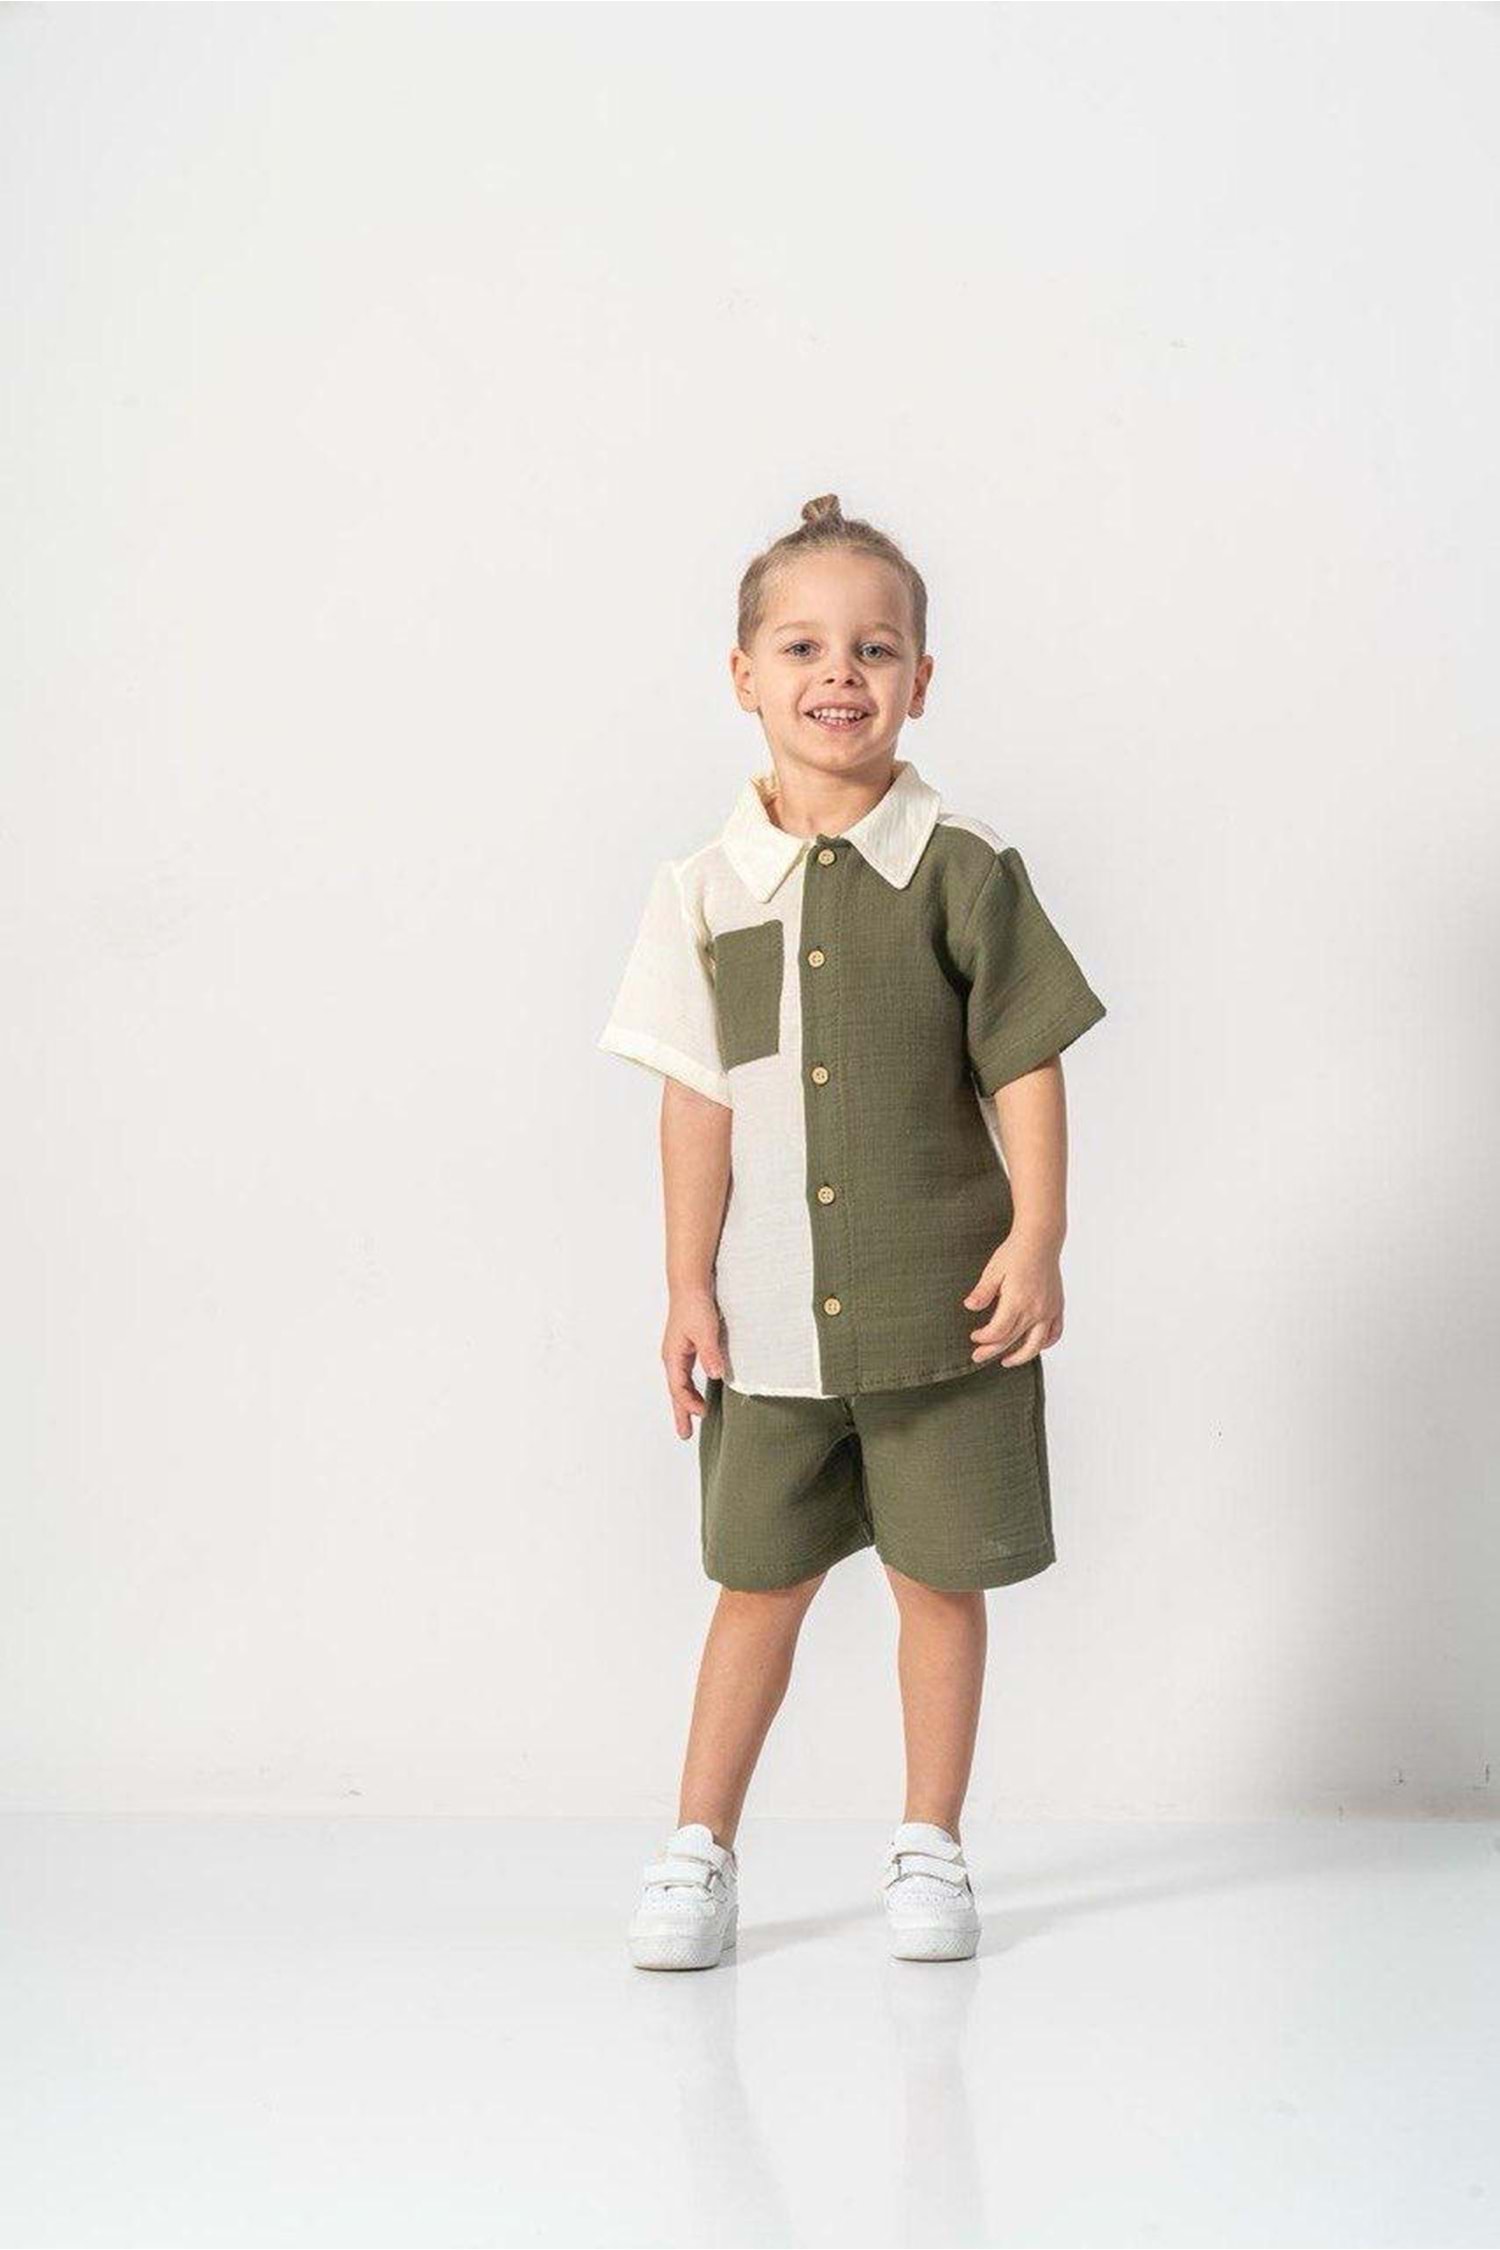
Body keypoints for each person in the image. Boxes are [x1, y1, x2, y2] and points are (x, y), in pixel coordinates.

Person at [597, 493, 1107, 1969]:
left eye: (875, 649)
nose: (840, 673)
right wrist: (686, 1286)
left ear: (920, 680)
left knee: (939, 1583)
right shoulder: (700, 891)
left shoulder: (963, 865)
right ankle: (698, 1851)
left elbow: (1024, 1059)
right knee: (757, 1585)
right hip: (770, 1324)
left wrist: (1038, 1234)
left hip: (946, 1311)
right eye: (803, 646)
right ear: (743, 675)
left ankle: (929, 1845)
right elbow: (698, 1103)